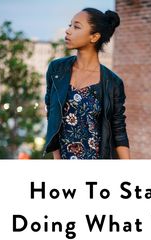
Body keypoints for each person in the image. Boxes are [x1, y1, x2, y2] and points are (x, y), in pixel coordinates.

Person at [43, 7, 130, 159]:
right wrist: (57, 159)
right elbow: (51, 114)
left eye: (76, 27)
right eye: (70, 25)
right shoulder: (57, 69)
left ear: (94, 37)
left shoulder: (113, 82)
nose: (68, 31)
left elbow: (119, 130)